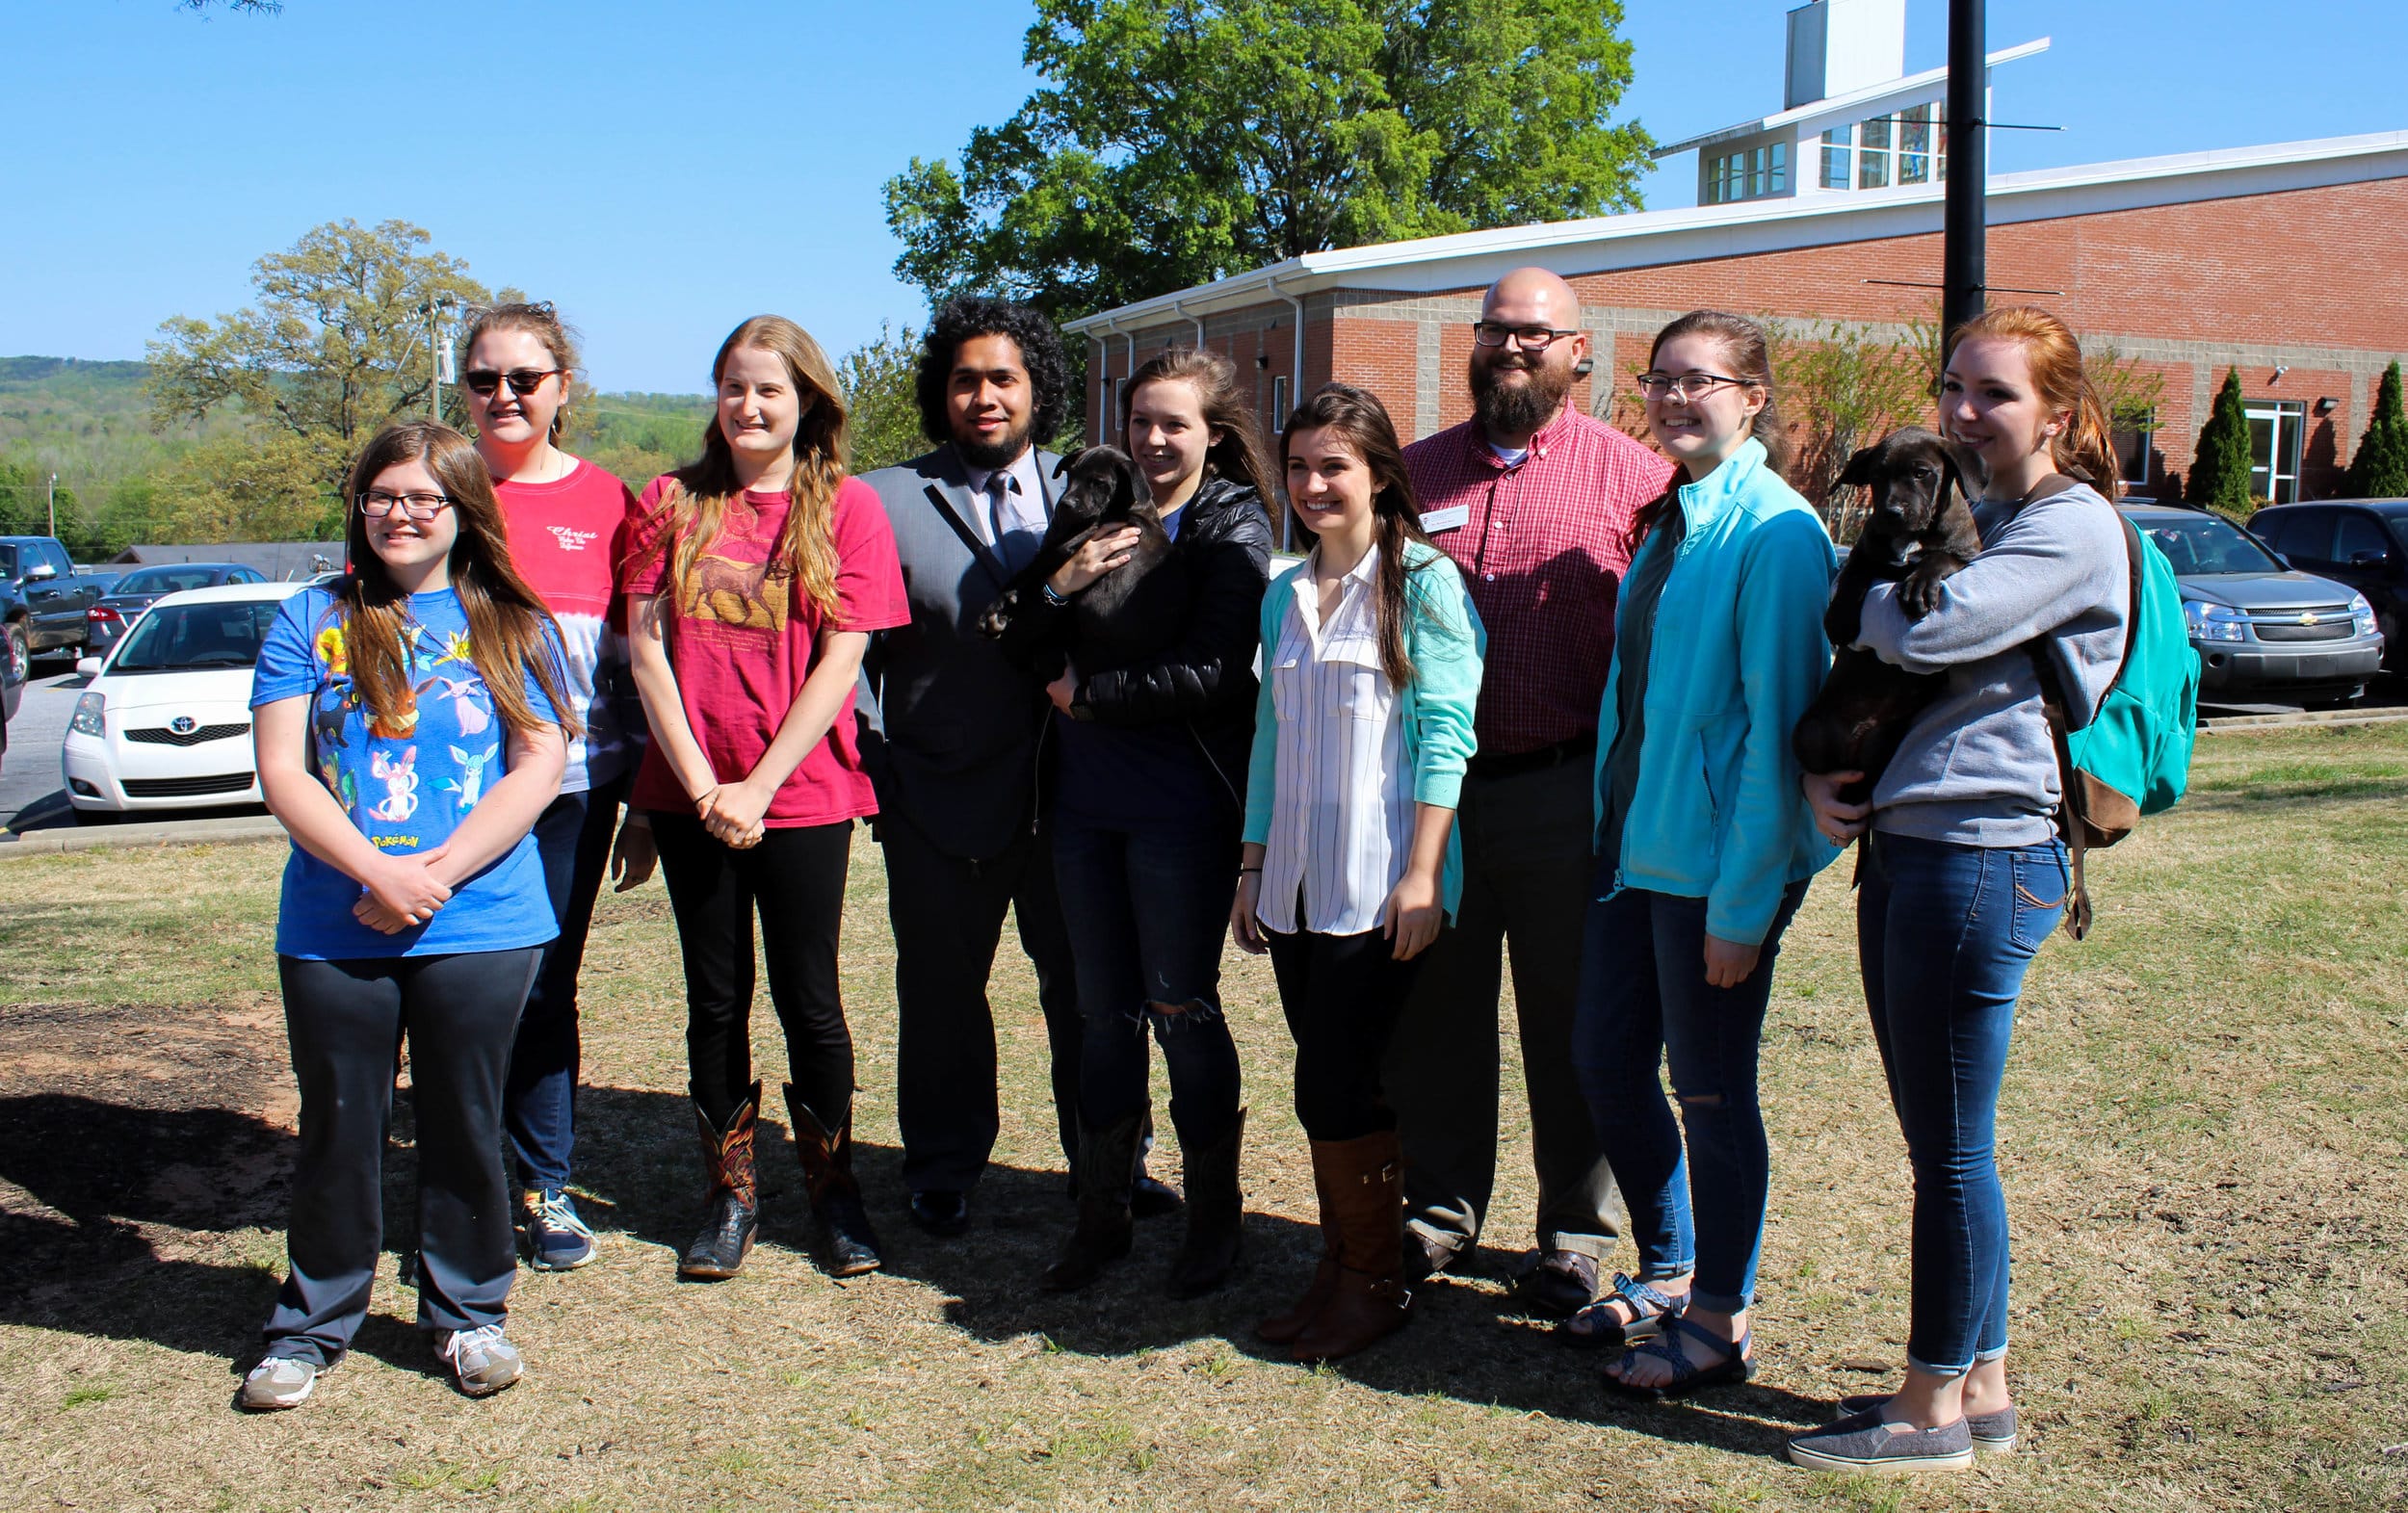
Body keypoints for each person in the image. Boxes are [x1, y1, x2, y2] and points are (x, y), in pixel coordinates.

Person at [1788, 306, 2131, 1474]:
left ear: (2060, 413)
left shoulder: (2071, 526)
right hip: (1921, 842)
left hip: (1978, 855)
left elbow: (1929, 628)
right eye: (1953, 389)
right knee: (1943, 1140)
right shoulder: (1998, 516)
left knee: (1948, 1154)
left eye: (1993, 394)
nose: (1963, 412)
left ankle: (1928, 1410)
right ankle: (1977, 1381)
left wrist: (1875, 597)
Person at [240, 420, 574, 1409]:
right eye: (385, 493)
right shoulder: (310, 617)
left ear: (463, 510)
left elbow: (539, 763)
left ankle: (469, 1314)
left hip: (480, 920)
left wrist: (435, 872)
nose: (402, 511)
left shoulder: (514, 620)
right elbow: (280, 769)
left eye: (426, 496)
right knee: (338, 1123)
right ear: (360, 504)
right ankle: (310, 1322)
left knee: (465, 1121)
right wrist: (374, 873)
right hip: (335, 919)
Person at [1557, 312, 1840, 1396]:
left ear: (1754, 397)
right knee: (1604, 1062)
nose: (1675, 400)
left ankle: (1719, 1317)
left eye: (1701, 382)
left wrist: (1744, 900)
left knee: (1711, 1092)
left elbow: (1780, 729)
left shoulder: (1773, 532)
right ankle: (1671, 1269)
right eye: (1660, 382)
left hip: (1712, 873)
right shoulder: (1676, 518)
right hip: (1634, 853)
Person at [1386, 267, 1677, 1313]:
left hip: (1566, 792)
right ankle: (1438, 1210)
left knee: (1572, 1019)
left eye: (1536, 335)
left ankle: (1574, 1232)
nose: (1513, 349)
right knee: (1435, 1012)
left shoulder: (1634, 479)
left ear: (1580, 351)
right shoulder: (1409, 476)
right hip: (1438, 801)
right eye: (1497, 331)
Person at [857, 297, 1176, 1238]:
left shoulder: (1085, 486)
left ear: (1037, 388)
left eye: (1004, 377)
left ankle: (1108, 1164)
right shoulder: (879, 499)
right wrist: (880, 770)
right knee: (943, 990)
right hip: (935, 794)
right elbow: (850, 654)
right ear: (939, 391)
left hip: (1076, 796)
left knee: (1090, 989)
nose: (985, 395)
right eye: (966, 378)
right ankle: (945, 1165)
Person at [625, 315, 909, 1281]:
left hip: (803, 791)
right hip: (691, 793)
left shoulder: (848, 507)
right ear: (715, 397)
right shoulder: (667, 501)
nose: (750, 406)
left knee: (811, 1000)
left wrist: (760, 781)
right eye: (735, 387)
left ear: (807, 403)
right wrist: (704, 786)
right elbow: (647, 650)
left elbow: (843, 657)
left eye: (770, 390)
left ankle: (835, 1192)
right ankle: (731, 1193)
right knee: (716, 1000)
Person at [988, 348, 1272, 1296]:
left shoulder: (1230, 523)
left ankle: (1214, 1220)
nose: (1154, 439)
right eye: (1141, 420)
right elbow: (1015, 630)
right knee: (1099, 1016)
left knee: (1179, 1007)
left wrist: (1089, 696)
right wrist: (1064, 585)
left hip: (1179, 808)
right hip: (1081, 806)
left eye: (1175, 424)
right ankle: (1101, 1210)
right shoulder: (1098, 502)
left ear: (1214, 434)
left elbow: (1216, 670)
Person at [1232, 383, 1483, 1362]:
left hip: (1378, 883)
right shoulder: (1281, 591)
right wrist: (1251, 864)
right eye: (1298, 466)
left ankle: (1373, 1282)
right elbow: (1268, 737)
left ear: (1379, 472)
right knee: (1322, 1081)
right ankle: (1343, 1269)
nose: (1312, 484)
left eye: (1333, 464)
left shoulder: (1422, 581)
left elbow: (1445, 736)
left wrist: (1424, 872)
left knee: (1340, 1081)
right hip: (1294, 877)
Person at [457, 300, 653, 1274]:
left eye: (523, 379)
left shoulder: (610, 502)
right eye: (484, 379)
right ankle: (455, 1190)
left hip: (575, 791)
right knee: (453, 989)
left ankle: (544, 1187)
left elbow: (636, 661)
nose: (503, 395)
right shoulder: (435, 491)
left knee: (543, 988)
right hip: (449, 792)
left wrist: (648, 797)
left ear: (560, 388)